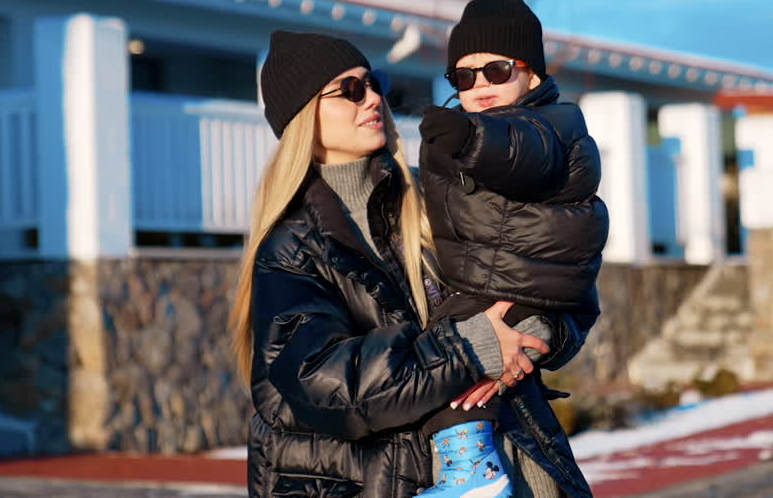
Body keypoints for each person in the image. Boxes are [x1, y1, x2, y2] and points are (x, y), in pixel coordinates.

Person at [229, 30, 564, 498]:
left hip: (522, 468)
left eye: (374, 82)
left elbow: (547, 266)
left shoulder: (435, 195)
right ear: (305, 116)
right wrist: (469, 350)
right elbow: (331, 385)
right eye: (349, 89)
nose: (372, 99)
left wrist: (541, 331)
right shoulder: (290, 249)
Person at [417, 0, 608, 497]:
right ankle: (471, 463)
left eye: (497, 71)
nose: (479, 84)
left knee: (448, 353)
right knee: (454, 366)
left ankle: (471, 471)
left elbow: (523, 151)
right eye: (464, 75)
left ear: (533, 75)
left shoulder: (550, 125)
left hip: (519, 281)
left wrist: (472, 138)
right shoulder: (468, 134)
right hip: (497, 277)